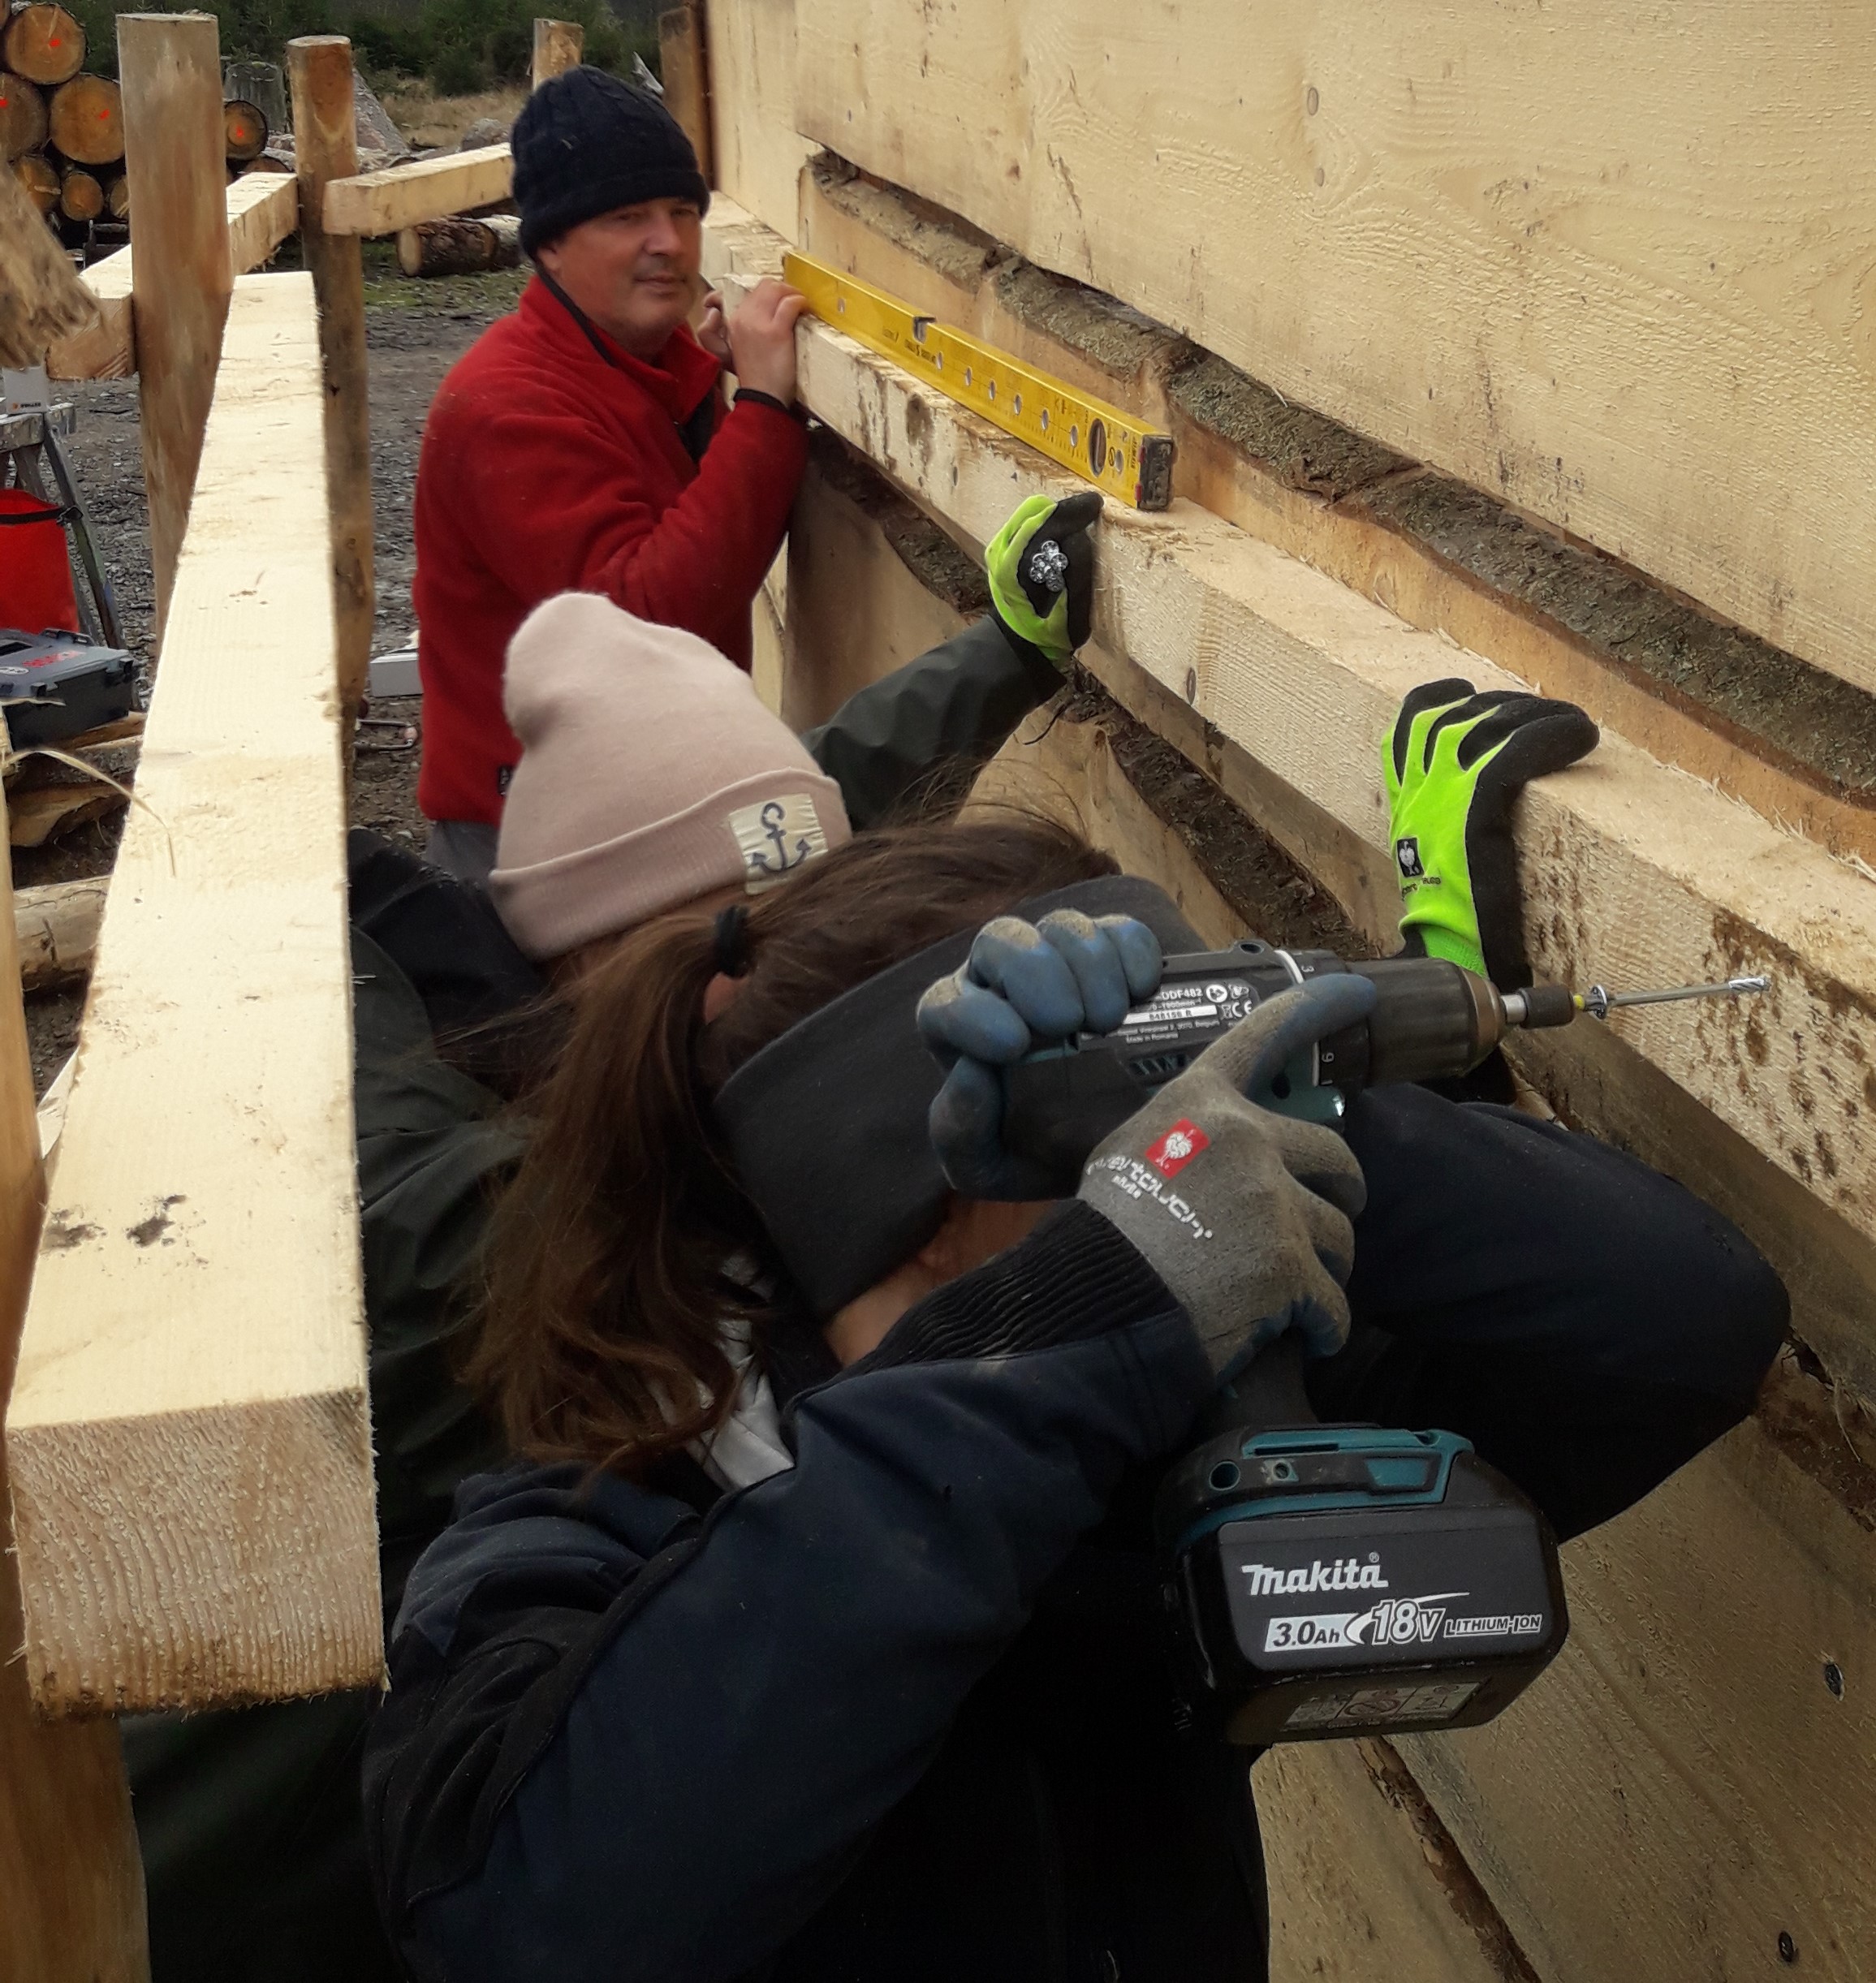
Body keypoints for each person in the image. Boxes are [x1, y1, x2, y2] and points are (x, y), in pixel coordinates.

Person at [360, 812, 1786, 1981]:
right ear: (926, 1219)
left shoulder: (1124, 1463)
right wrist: (1087, 1303)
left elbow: (1673, 1324)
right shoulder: (555, 1553)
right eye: (1114, 1174)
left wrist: (1287, 1089)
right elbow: (539, 1924)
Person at [123, 492, 1102, 1983]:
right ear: (636, 971)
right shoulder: (490, 1226)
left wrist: (1003, 653)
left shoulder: (584, 996)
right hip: (230, 1905)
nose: (806, 988)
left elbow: (773, 822)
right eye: (764, 951)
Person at [411, 63, 812, 882]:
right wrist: (764, 408)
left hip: (638, 808)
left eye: (681, 212)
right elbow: (642, 624)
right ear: (551, 244)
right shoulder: (504, 405)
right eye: (627, 217)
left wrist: (712, 384)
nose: (669, 242)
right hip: (535, 856)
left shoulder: (639, 364)